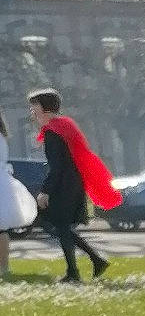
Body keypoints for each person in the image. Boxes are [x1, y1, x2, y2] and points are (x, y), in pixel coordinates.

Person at [27, 88, 118, 281]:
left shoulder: (53, 132)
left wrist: (45, 191)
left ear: (45, 108)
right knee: (61, 227)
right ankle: (93, 262)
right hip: (72, 182)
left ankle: (76, 272)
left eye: (34, 106)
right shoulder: (64, 126)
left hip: (65, 185)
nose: (32, 112)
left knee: (57, 225)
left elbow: (57, 166)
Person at [0, 108, 37, 278]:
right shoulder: (2, 137)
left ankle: (4, 266)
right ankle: (4, 266)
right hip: (4, 182)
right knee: (2, 230)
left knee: (1, 231)